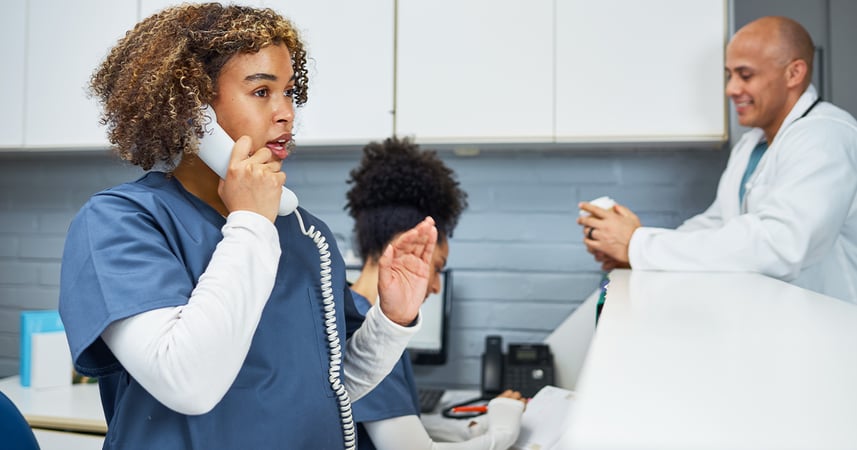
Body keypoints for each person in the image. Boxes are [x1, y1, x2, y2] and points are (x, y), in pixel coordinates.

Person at [57, 4, 437, 449]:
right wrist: (251, 222)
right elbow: (186, 381)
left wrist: (391, 320)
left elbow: (321, 390)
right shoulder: (121, 222)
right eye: (261, 92)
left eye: (289, 92)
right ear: (190, 109)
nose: (286, 114)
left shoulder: (302, 234)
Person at [578, 16, 857, 303]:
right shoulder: (752, 144)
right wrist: (635, 249)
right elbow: (716, 224)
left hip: (828, 333)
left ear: (794, 73)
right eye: (729, 75)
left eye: (745, 75)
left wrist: (638, 245)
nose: (731, 89)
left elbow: (781, 245)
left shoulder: (825, 135)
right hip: (777, 324)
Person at [345, 137, 526, 450]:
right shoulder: (367, 331)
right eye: (437, 267)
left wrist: (475, 427)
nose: (436, 286)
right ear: (410, 244)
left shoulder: (352, 308)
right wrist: (504, 429)